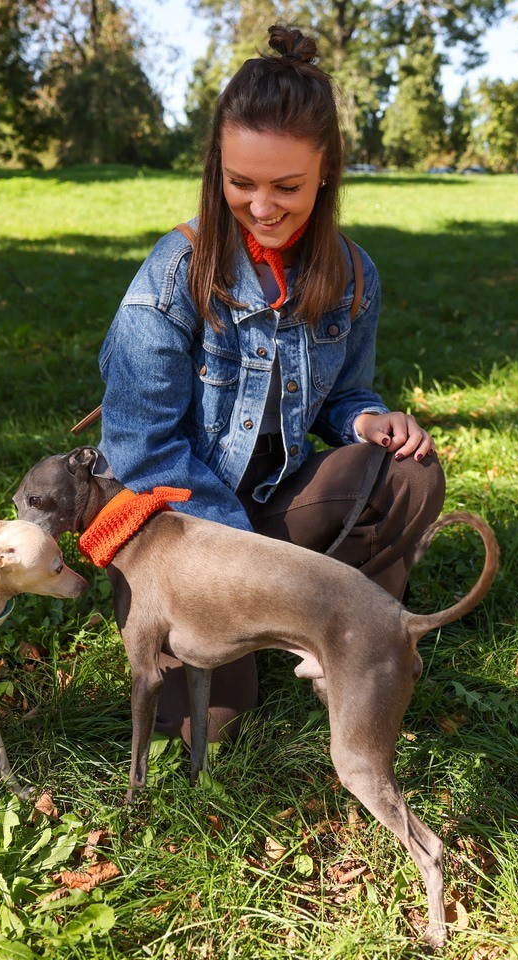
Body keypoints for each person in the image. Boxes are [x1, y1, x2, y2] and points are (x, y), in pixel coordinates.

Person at [95, 24, 445, 744]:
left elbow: (343, 396)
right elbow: (139, 448)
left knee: (411, 472)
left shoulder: (352, 274)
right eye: (240, 183)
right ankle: (288, 614)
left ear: (326, 174)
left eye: (287, 186)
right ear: (215, 170)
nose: (262, 207)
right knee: (212, 727)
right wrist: (252, 566)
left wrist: (367, 422)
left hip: (277, 503)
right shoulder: (175, 273)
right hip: (186, 538)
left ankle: (356, 633)